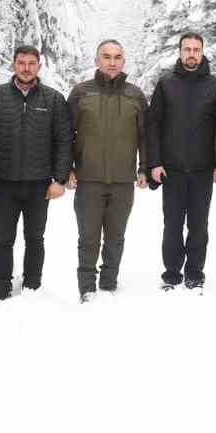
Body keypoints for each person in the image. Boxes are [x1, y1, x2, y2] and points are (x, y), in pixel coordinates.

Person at [0, 45, 71, 299]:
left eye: (31, 63)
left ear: (39, 66)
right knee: (4, 239)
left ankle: (32, 285)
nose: (26, 68)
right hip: (4, 182)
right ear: (14, 65)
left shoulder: (53, 99)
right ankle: (2, 286)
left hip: (40, 185)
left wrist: (59, 179)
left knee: (35, 238)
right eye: (21, 63)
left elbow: (63, 141)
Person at [67, 40, 148, 300]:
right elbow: (65, 134)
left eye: (117, 57)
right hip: (88, 178)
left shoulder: (135, 95)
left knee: (116, 237)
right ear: (97, 60)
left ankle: (109, 282)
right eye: (106, 57)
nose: (112, 62)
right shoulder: (81, 93)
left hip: (123, 179)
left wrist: (143, 167)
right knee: (88, 237)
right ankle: (87, 288)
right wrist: (67, 169)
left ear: (123, 61)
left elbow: (145, 137)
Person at [147, 32, 216, 291]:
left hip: (203, 170)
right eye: (187, 49)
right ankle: (171, 272)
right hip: (172, 170)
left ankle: (194, 272)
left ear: (202, 52)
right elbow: (153, 125)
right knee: (172, 224)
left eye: (196, 49)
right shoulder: (166, 84)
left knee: (199, 225)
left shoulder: (214, 85)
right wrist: (154, 163)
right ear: (180, 52)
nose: (192, 54)